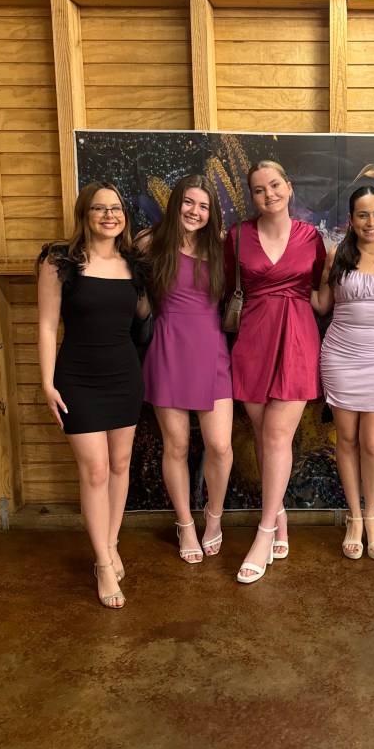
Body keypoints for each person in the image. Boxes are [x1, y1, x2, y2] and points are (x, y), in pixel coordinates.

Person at [37, 182, 150, 608]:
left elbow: (143, 315)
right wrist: (47, 383)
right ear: (84, 214)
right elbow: (47, 325)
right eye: (99, 208)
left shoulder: (133, 264)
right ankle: (102, 562)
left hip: (124, 375)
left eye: (116, 208)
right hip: (77, 378)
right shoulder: (59, 261)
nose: (109, 215)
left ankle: (111, 541)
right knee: (96, 471)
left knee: (120, 464)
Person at [224, 160, 326, 584]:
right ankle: (279, 516)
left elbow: (319, 289)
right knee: (264, 434)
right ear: (252, 196)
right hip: (253, 339)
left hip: (298, 337)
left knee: (278, 436)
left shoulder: (311, 236)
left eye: (275, 185)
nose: (269, 194)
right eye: (259, 189)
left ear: (289, 186)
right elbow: (228, 286)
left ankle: (264, 532)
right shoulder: (236, 236)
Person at [136, 174, 233, 565]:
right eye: (189, 202)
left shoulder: (220, 248)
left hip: (212, 348)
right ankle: (185, 523)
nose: (195, 211)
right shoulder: (149, 242)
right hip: (169, 346)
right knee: (175, 446)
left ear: (212, 213)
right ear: (176, 203)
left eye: (204, 206)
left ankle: (214, 515)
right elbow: (135, 298)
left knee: (220, 446)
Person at [313, 186, 374, 561]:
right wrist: (283, 286)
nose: (371, 222)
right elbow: (322, 303)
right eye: (363, 215)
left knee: (372, 442)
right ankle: (354, 517)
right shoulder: (337, 254)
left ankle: (372, 517)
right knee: (347, 439)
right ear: (351, 220)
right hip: (340, 355)